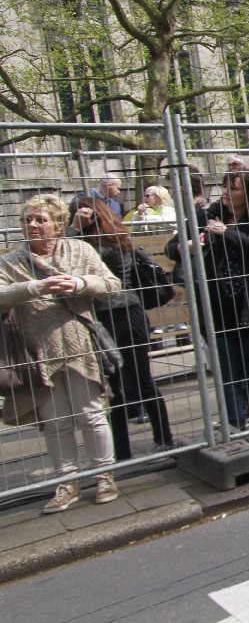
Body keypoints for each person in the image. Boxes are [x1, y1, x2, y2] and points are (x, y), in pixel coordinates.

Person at [0, 195, 122, 513]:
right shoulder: (11, 262)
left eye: (41, 219)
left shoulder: (80, 250)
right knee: (56, 423)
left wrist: (80, 283)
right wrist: (33, 289)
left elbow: (112, 285)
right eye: (27, 219)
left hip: (80, 348)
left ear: (58, 224)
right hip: (38, 353)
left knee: (91, 414)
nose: (32, 225)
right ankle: (67, 483)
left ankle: (104, 475)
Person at [166, 170, 249, 451]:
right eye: (225, 186)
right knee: (227, 372)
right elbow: (171, 247)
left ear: (248, 194)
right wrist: (184, 247)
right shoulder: (209, 215)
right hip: (217, 307)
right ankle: (235, 427)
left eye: (234, 188)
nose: (226, 192)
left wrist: (226, 233)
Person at [67, 197, 179, 458]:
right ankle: (123, 451)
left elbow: (72, 254)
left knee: (140, 381)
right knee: (114, 390)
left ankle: (164, 439)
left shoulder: (108, 244)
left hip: (124, 315)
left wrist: (73, 229)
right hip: (107, 319)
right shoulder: (100, 241)